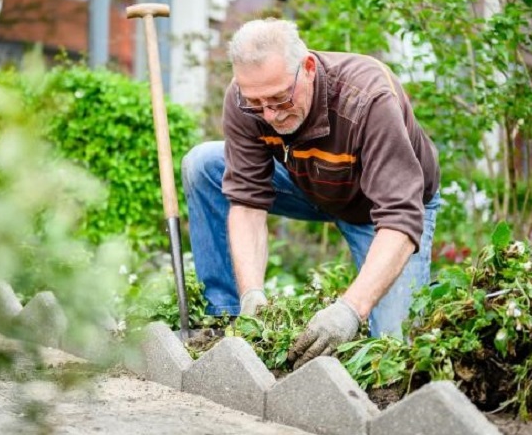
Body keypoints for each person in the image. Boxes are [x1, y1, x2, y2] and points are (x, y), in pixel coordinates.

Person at [182, 18, 440, 370]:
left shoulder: (368, 98)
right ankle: (225, 320)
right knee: (203, 163)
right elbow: (246, 202)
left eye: (279, 98)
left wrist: (349, 310)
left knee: (393, 351)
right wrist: (251, 295)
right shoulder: (246, 98)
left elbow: (400, 217)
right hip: (310, 182)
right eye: (257, 103)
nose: (269, 114)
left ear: (307, 69)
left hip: (383, 209)